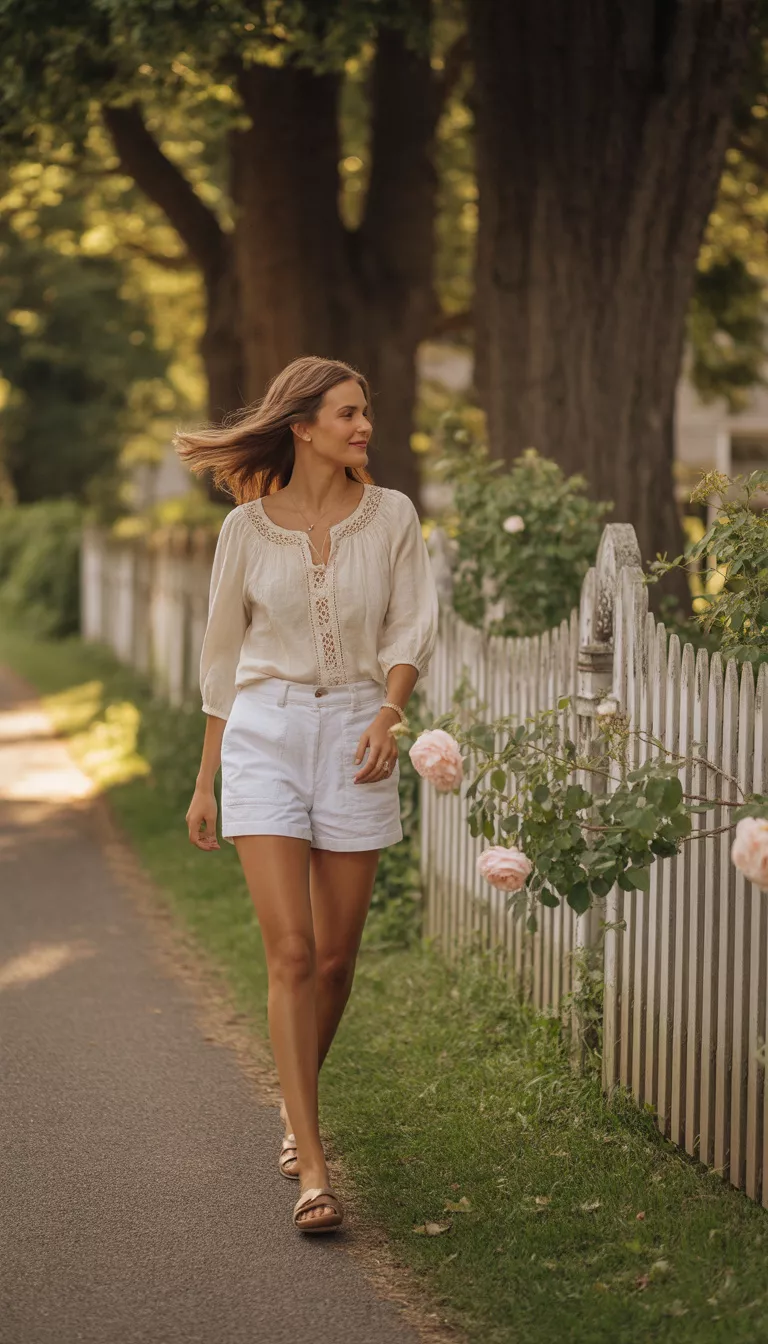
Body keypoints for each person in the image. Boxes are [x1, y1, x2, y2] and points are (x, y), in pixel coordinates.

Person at [174, 356, 439, 1235]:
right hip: (264, 734)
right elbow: (220, 657)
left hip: (360, 730)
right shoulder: (247, 531)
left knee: (334, 961)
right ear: (303, 425)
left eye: (366, 412)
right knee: (289, 952)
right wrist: (206, 777)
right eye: (348, 413)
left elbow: (411, 624)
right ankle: (314, 1165)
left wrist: (390, 714)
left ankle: (295, 1107)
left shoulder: (393, 516)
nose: (364, 426)